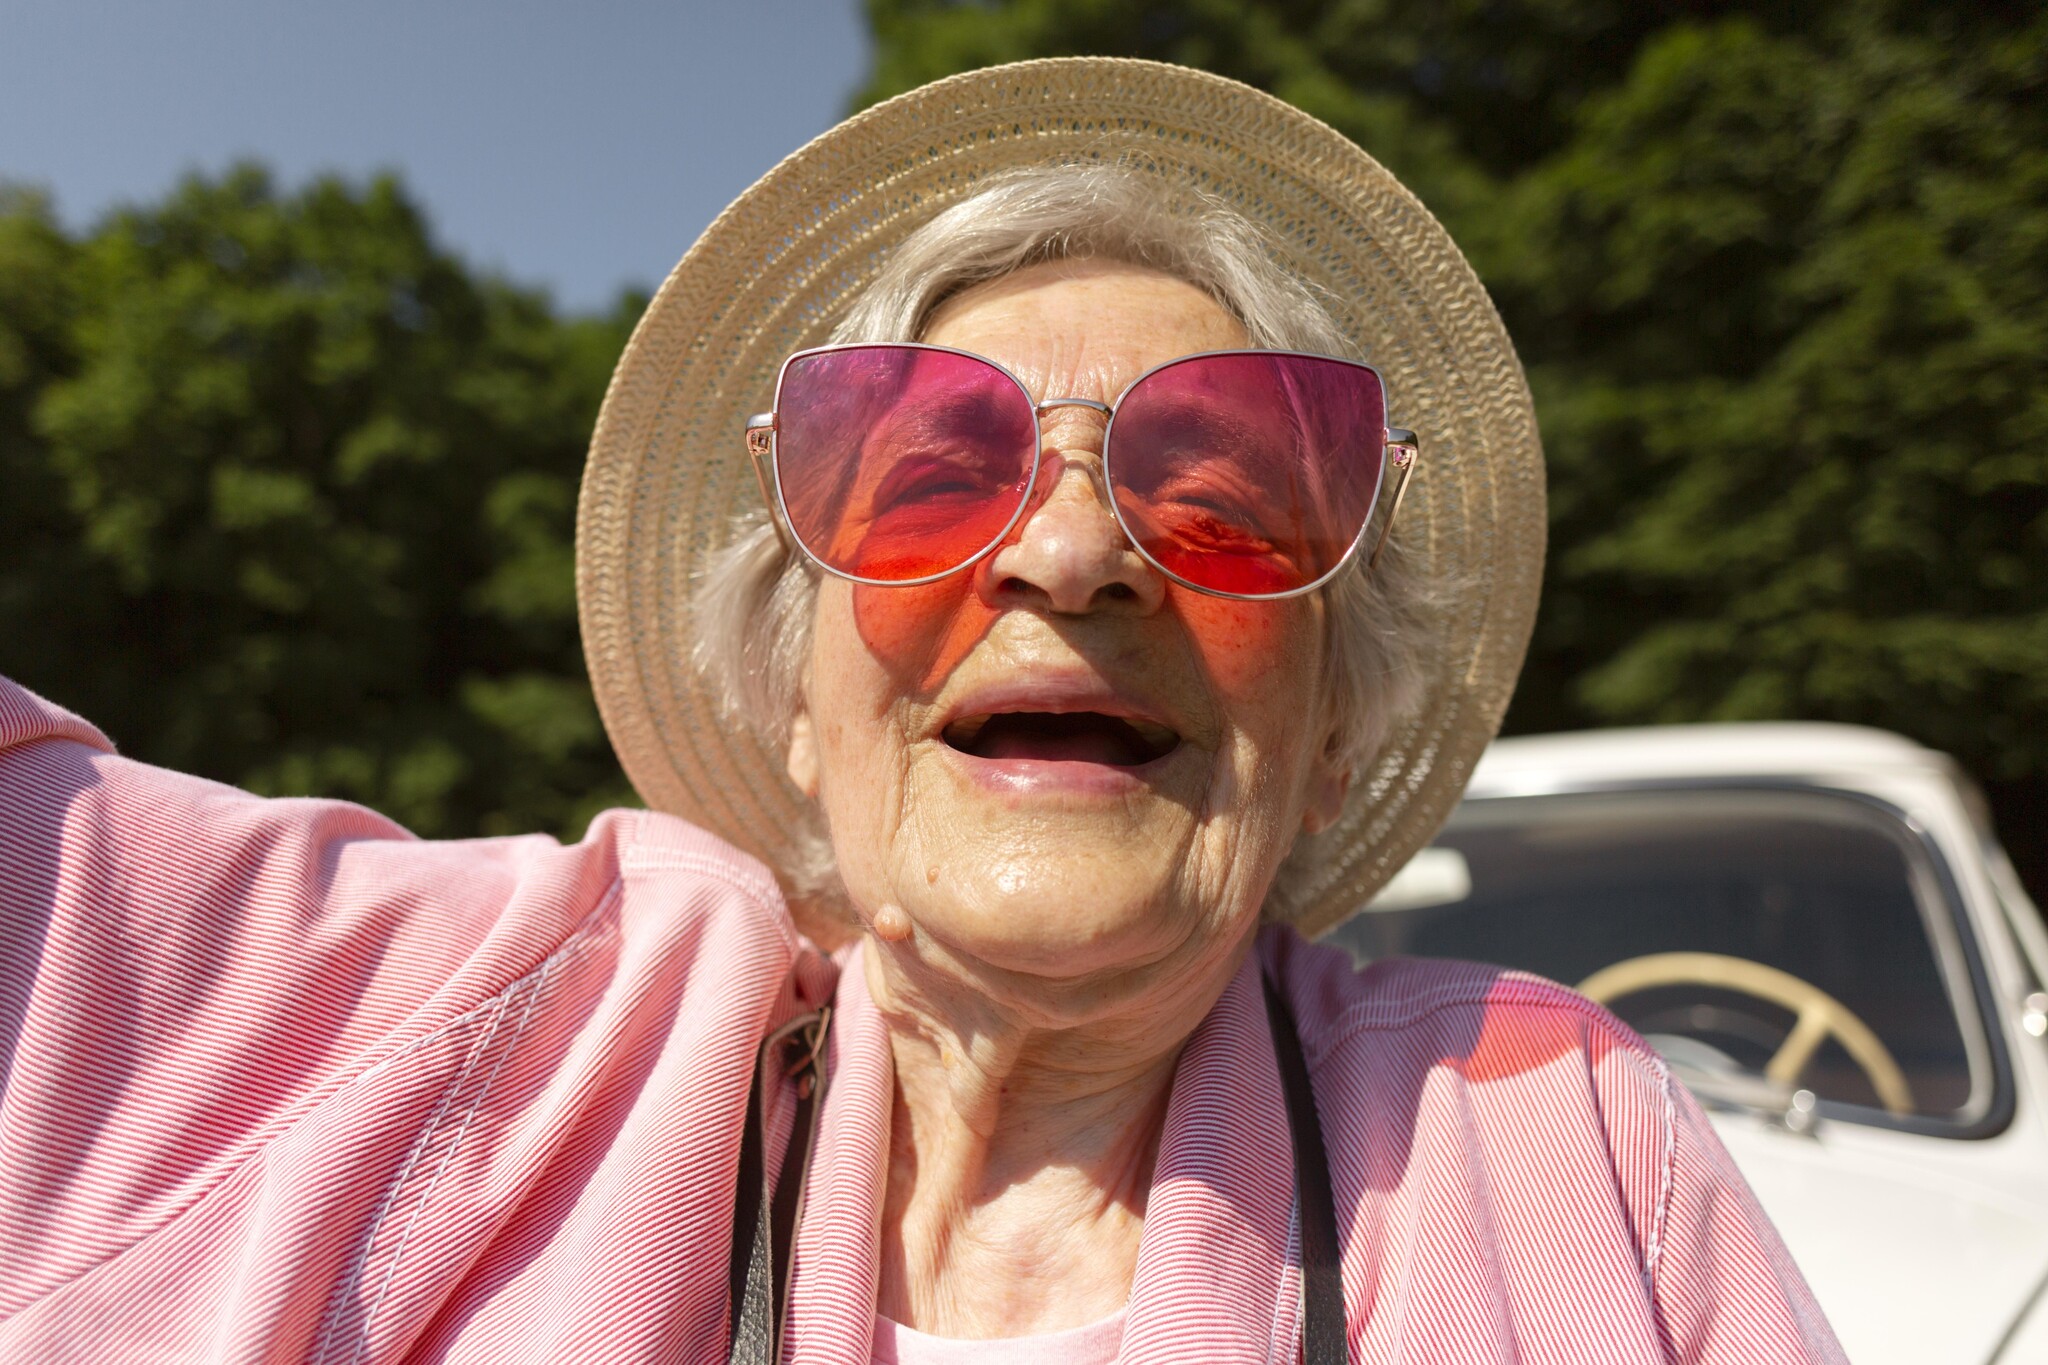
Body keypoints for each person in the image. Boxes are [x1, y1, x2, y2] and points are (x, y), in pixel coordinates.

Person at [0, 59, 1843, 1364]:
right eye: (927, 469)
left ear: (1338, 720)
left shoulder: (1550, 1136)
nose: (1067, 554)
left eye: (1217, 483)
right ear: (796, 702)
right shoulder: (460, 1039)